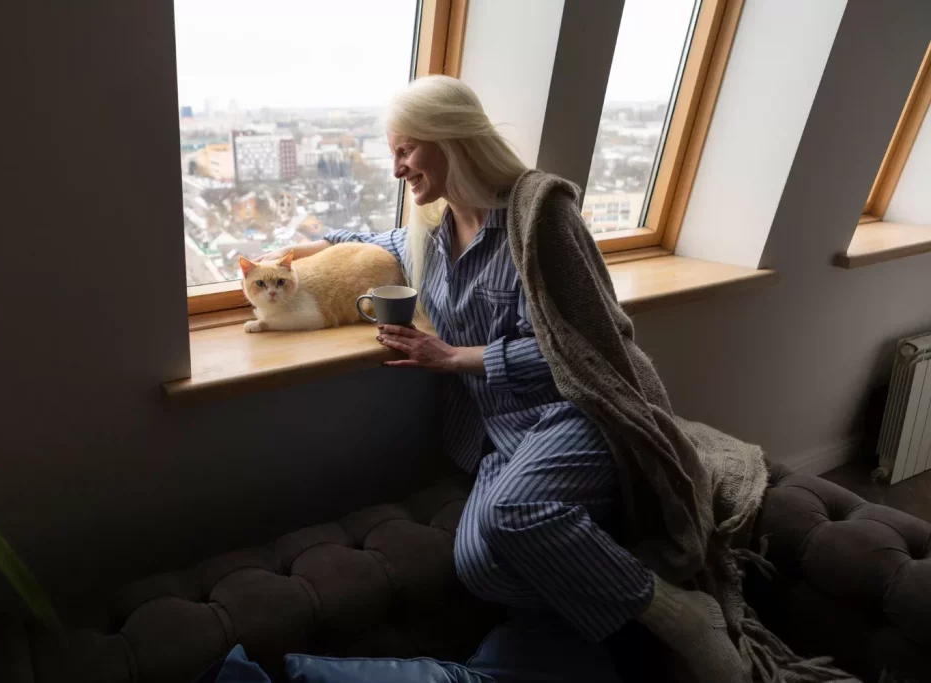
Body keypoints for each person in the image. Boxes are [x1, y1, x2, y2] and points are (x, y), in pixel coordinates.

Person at [261, 76, 741, 682]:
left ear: (451, 139)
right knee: (478, 566)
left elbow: (592, 347)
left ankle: (683, 618)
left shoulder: (540, 217)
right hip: (503, 432)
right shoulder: (428, 236)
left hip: (578, 410)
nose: (396, 169)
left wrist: (455, 358)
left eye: (406, 150)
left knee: (515, 511)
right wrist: (303, 252)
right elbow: (372, 244)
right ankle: (614, 634)